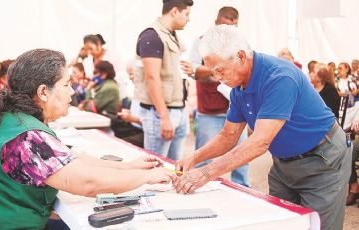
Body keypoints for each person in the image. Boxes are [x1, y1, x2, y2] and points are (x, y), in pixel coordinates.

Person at [0, 49, 175, 229]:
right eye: (67, 84)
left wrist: (126, 167)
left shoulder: (12, 119)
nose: (72, 92)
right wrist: (146, 177)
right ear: (42, 92)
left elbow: (69, 159)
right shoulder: (26, 137)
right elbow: (87, 183)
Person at [172, 25, 351, 230]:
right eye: (213, 71)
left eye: (220, 70)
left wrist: (205, 173)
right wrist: (193, 158)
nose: (217, 77)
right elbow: (228, 136)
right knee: (279, 222)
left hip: (323, 161)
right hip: (284, 165)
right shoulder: (239, 87)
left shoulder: (279, 77)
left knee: (318, 226)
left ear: (240, 56)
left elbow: (259, 142)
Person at [180, 6, 249, 187]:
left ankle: (243, 194)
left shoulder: (239, 43)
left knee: (241, 160)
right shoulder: (201, 41)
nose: (229, 30)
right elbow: (193, 70)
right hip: (209, 112)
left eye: (234, 27)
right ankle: (197, 190)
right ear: (216, 22)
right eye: (226, 25)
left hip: (235, 112)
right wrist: (218, 69)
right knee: (203, 159)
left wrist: (208, 70)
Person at [133, 0, 193, 160]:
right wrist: (164, 118)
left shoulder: (171, 36)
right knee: (156, 168)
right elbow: (152, 78)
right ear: (174, 11)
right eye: (186, 14)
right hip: (160, 114)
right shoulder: (151, 36)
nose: (189, 19)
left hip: (177, 109)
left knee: (174, 169)